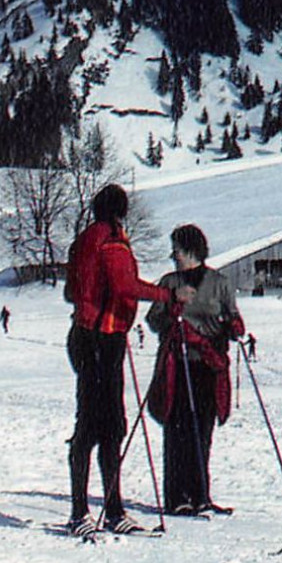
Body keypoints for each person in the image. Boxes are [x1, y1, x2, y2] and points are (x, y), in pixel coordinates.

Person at [64, 184, 182, 537]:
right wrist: (168, 295)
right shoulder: (112, 239)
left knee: (94, 422)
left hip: (84, 335)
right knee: (106, 426)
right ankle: (93, 512)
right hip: (105, 338)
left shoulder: (83, 239)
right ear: (119, 211)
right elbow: (124, 286)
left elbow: (71, 290)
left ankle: (93, 509)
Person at [145, 223, 242, 517]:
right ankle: (177, 496)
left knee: (203, 430)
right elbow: (153, 320)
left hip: (208, 365)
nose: (173, 255)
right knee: (178, 431)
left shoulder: (220, 282)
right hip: (178, 364)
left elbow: (232, 315)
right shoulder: (168, 282)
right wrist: (172, 310)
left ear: (190, 250)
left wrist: (233, 325)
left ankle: (201, 494)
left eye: (176, 249)